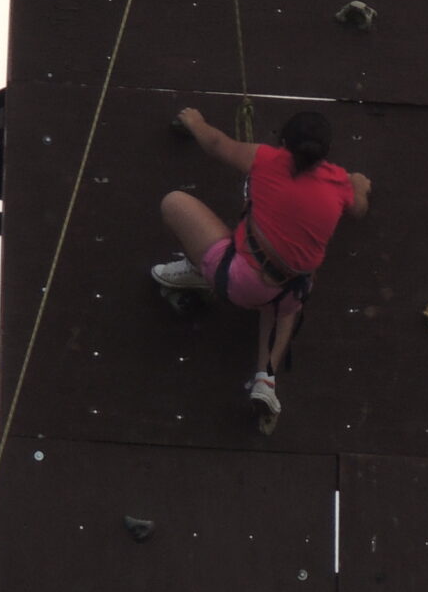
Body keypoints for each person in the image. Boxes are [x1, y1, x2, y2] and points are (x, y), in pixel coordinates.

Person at [151, 107, 371, 427]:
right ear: (325, 151)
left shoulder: (267, 159)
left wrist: (195, 122)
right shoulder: (338, 184)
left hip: (237, 279)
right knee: (282, 304)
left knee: (174, 203)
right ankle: (265, 380)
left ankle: (202, 273)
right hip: (291, 289)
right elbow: (359, 209)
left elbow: (216, 144)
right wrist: (358, 183)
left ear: (284, 141)